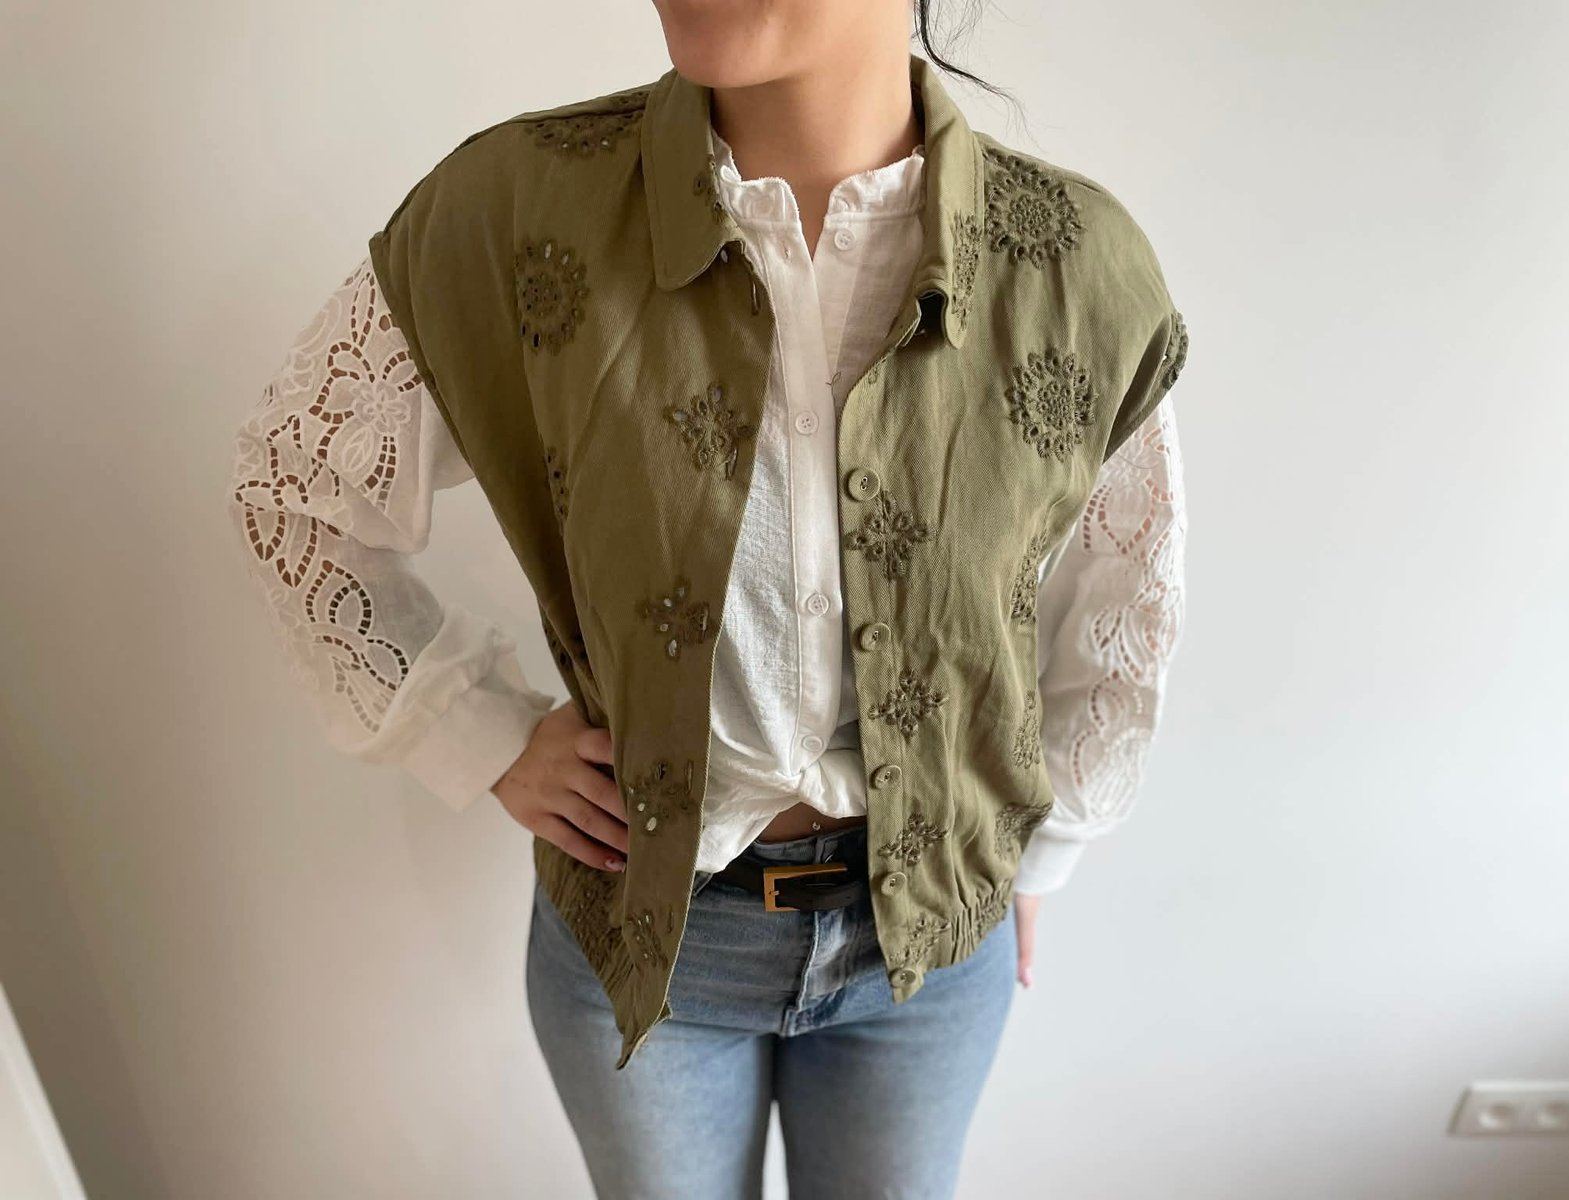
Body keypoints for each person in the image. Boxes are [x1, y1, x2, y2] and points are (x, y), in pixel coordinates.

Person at [226, 3, 1188, 1196]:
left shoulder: (1074, 268)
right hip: (641, 937)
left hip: (929, 954)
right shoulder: (516, 212)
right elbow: (293, 495)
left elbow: (1123, 609)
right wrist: (476, 730)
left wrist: (1037, 855)